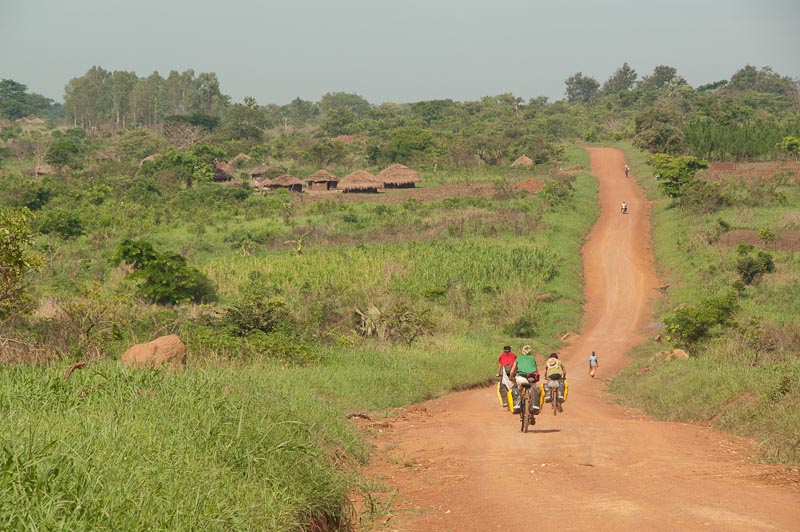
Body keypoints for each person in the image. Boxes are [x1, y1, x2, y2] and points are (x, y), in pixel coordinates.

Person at [510, 345, 540, 416]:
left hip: (520, 378)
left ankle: (517, 404)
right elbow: (536, 371)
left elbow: (512, 371)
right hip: (531, 378)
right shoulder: (532, 358)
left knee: (518, 390)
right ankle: (534, 407)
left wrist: (511, 377)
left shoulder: (518, 358)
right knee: (534, 391)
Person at [496, 345, 517, 409]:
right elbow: (516, 364)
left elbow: (500, 365)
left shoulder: (502, 355)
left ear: (504, 350)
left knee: (502, 388)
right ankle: (516, 401)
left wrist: (498, 373)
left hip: (505, 374)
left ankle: (505, 402)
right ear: (510, 350)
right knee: (515, 387)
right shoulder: (514, 355)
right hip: (513, 373)